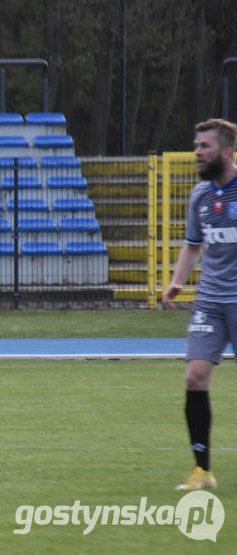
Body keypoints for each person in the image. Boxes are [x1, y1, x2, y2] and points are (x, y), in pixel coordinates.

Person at [162, 118, 237, 491]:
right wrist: (178, 281)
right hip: (209, 298)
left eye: (204, 146)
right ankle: (202, 471)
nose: (197, 152)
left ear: (226, 152)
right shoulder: (201, 195)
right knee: (194, 378)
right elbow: (193, 244)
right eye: (196, 145)